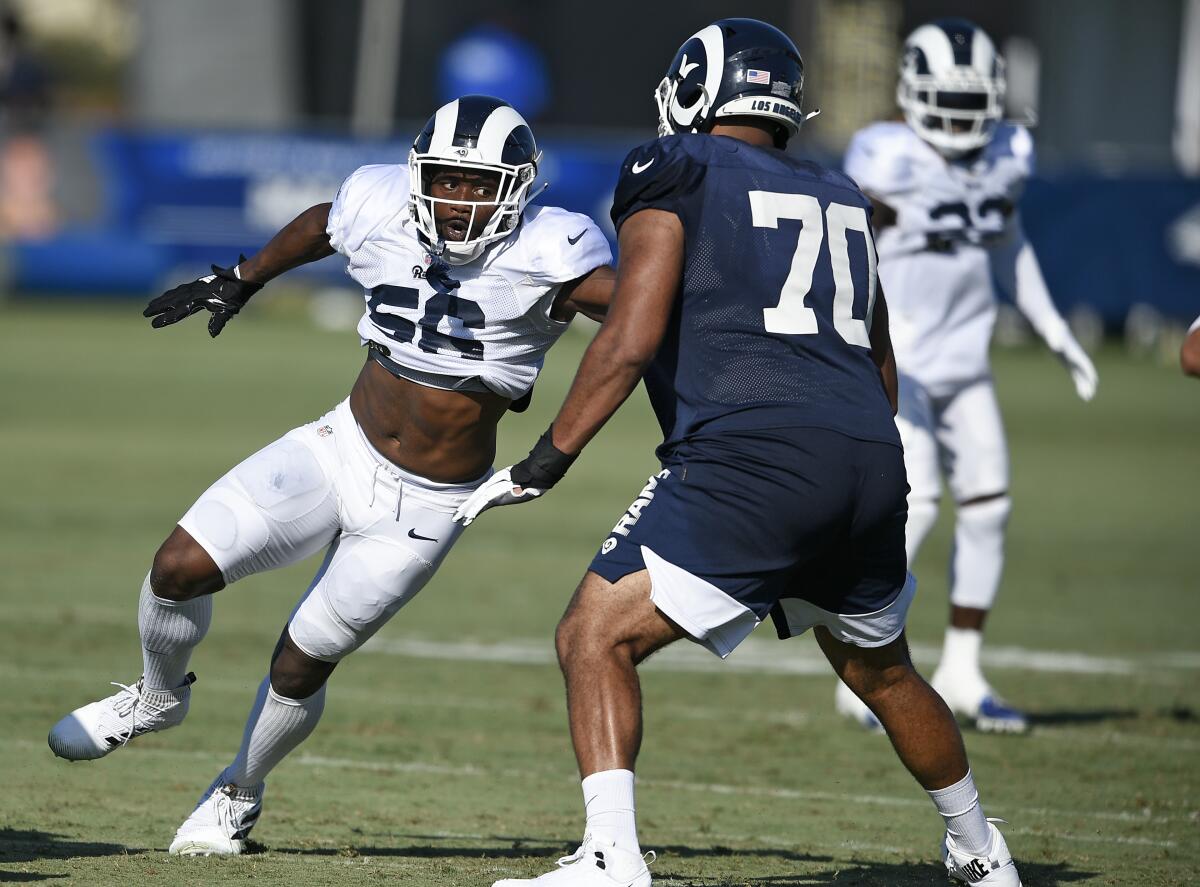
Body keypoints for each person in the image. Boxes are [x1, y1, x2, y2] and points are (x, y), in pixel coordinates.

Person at [455, 19, 1021, 887]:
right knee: (882, 668)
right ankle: (983, 850)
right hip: (869, 451)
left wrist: (547, 458)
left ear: (694, 89)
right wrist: (859, 462)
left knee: (592, 634)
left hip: (753, 454)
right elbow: (878, 352)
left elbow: (633, 336)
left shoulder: (672, 166)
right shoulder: (840, 189)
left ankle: (611, 858)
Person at [46, 95, 615, 856]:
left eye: (480, 184)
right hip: (338, 444)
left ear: (520, 186)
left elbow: (634, 327)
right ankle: (156, 695)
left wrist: (564, 441)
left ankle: (237, 792)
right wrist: (242, 278)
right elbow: (323, 222)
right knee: (177, 566)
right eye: (447, 178)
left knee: (300, 658)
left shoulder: (556, 249)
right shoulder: (382, 203)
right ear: (420, 176)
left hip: (428, 501)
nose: (459, 198)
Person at [833, 18, 1098, 735]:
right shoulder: (882, 152)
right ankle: (862, 660)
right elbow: (846, 244)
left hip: (967, 358)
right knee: (912, 506)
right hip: (901, 358)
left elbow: (1009, 243)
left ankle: (963, 669)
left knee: (989, 506)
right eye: (943, 99)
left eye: (970, 98)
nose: (958, 116)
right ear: (911, 94)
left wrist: (1053, 330)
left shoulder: (1009, 150)